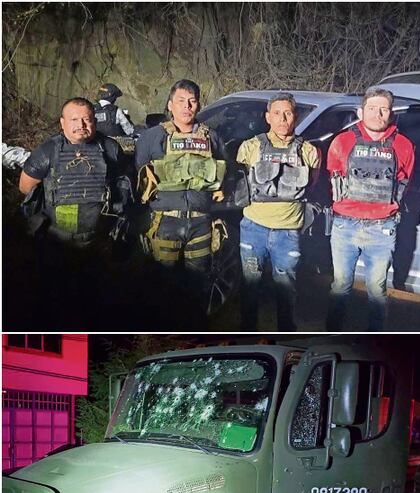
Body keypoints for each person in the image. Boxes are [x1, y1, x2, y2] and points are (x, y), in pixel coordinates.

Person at [325, 87, 415, 331]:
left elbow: (403, 183)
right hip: (345, 226)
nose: (378, 114)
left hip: (381, 229)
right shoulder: (342, 141)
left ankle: (376, 337)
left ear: (391, 114)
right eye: (372, 108)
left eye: (384, 109)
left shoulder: (404, 146)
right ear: (360, 111)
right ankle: (333, 333)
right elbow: (333, 178)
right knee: (341, 286)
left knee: (377, 290)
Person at [234, 93, 321, 331]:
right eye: (276, 113)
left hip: (288, 232)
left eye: (288, 113)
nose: (282, 119)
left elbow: (311, 185)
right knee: (250, 285)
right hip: (253, 229)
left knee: (286, 288)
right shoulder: (250, 148)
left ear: (296, 116)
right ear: (267, 117)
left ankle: (286, 333)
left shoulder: (309, 151)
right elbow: (240, 184)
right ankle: (247, 331)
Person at [135, 79, 228, 286]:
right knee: (163, 286)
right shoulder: (152, 137)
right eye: (181, 101)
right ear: (170, 105)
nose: (187, 107)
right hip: (165, 222)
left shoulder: (211, 137)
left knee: (197, 284)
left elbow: (222, 173)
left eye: (192, 101)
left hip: (201, 224)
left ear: (199, 105)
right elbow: (141, 172)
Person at [18, 97, 129, 247]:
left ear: (95, 122)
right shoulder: (47, 151)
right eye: (74, 119)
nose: (81, 125)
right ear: (62, 123)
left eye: (86, 119)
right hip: (55, 239)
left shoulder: (111, 148)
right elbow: (26, 187)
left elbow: (121, 185)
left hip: (98, 239)